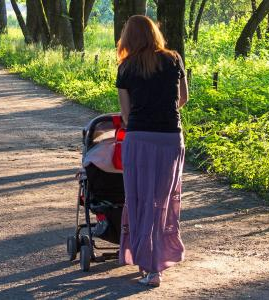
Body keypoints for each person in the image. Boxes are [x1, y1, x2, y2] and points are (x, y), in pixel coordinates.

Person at [115, 15, 189, 287]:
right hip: (170, 138)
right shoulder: (174, 59)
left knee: (140, 199)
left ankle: (149, 266)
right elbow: (183, 99)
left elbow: (125, 114)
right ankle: (160, 258)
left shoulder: (126, 67)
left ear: (128, 38)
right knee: (164, 200)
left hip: (139, 139)